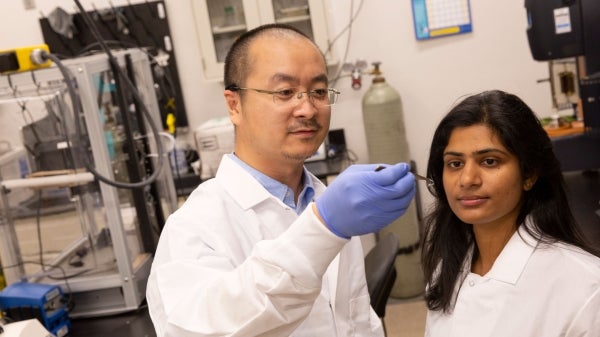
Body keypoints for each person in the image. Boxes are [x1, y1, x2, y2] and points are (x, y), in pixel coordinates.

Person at [146, 23, 416, 337]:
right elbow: (205, 329)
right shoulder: (194, 227)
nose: (307, 108)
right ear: (234, 105)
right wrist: (322, 229)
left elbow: (357, 318)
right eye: (285, 92)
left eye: (318, 91)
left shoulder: (324, 199)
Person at [421, 90, 600, 337]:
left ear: (529, 174)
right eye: (455, 163)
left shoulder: (587, 288)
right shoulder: (447, 270)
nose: (467, 179)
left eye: (489, 161)